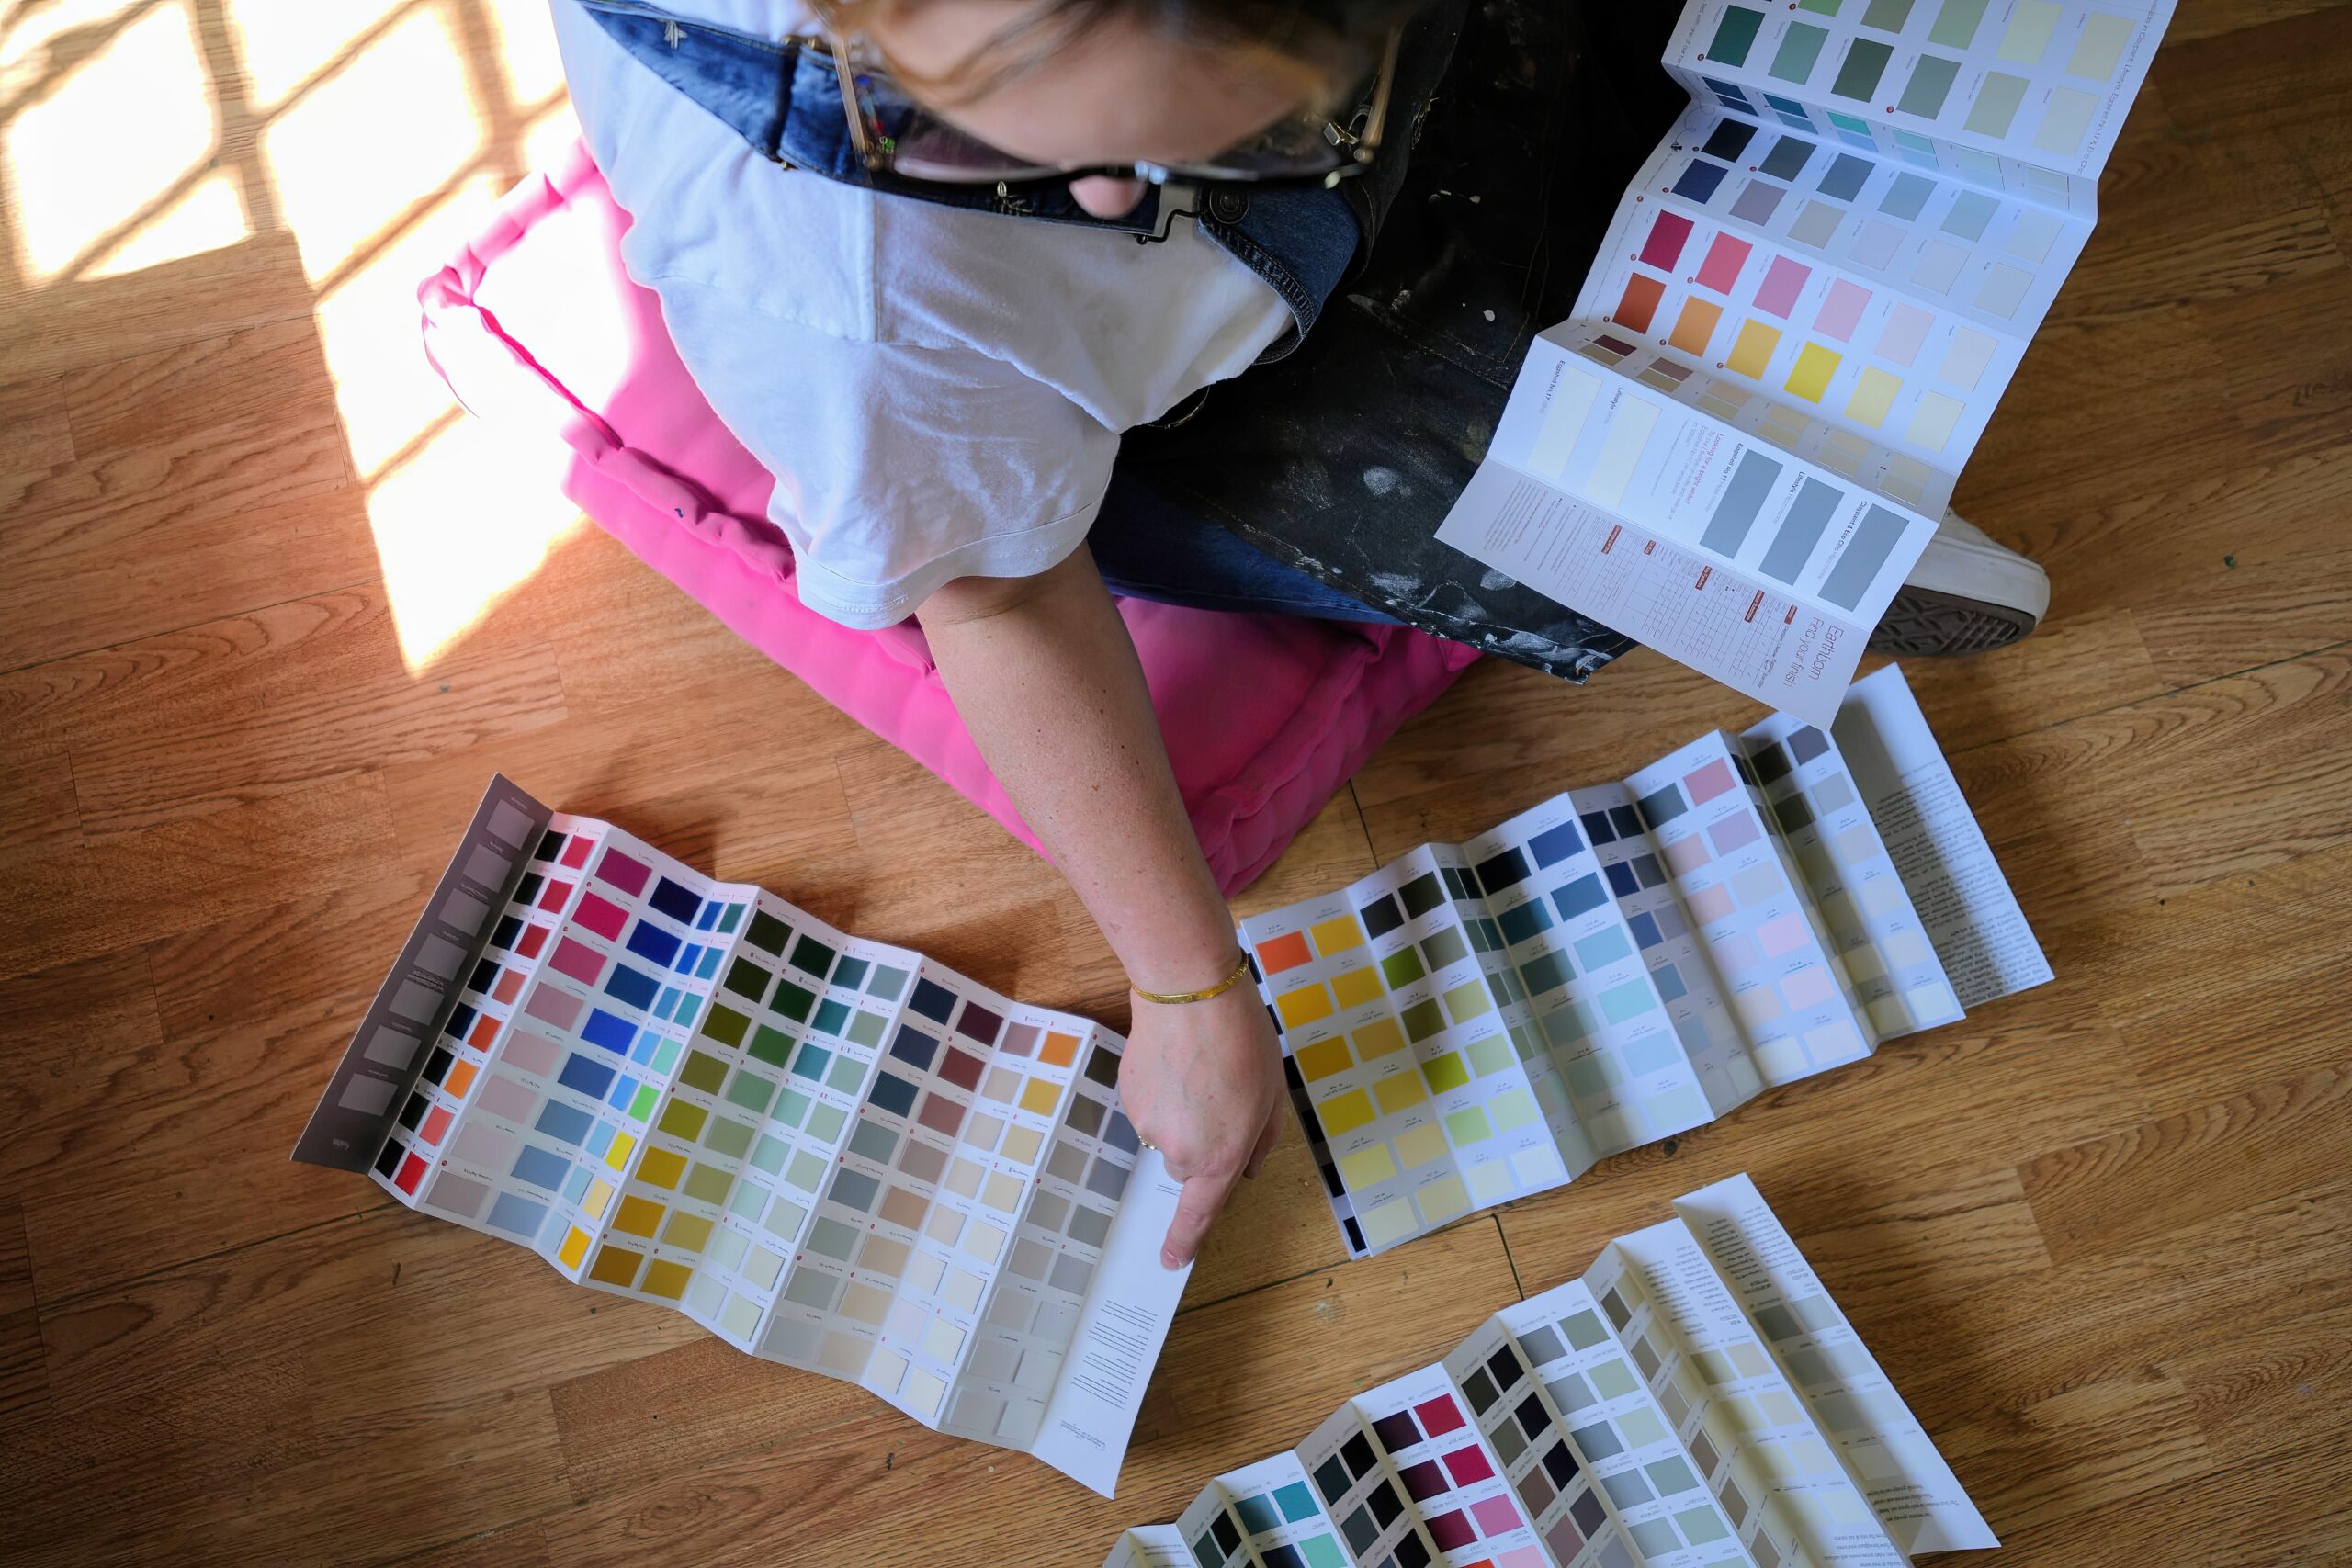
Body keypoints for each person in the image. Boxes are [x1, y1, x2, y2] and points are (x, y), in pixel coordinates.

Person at [548, 0, 2052, 1272]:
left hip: (1324, 141)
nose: (1097, 196)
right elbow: (999, 594)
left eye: (1259, 124)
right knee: (1561, 538)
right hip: (1170, 417)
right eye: (1076, 154)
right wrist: (1186, 985)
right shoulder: (852, 315)